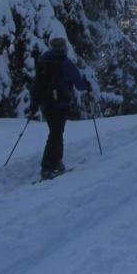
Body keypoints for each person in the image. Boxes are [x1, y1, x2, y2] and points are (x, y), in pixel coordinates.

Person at [27, 37, 90, 181]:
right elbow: (79, 83)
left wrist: (34, 103)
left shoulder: (43, 62)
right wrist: (87, 85)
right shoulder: (65, 63)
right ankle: (47, 167)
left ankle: (56, 162)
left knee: (56, 133)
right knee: (55, 134)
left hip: (45, 105)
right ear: (64, 47)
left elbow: (35, 85)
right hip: (60, 104)